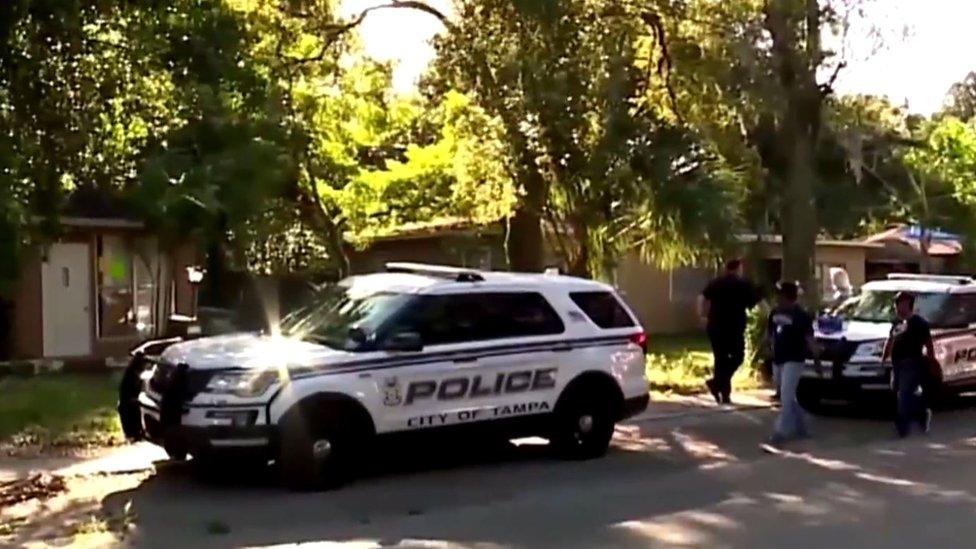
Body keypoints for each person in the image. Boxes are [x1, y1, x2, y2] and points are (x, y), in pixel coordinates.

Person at [698, 259, 761, 404]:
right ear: (738, 269)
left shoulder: (716, 282)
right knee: (737, 357)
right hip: (734, 327)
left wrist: (701, 315)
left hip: (715, 326)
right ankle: (719, 385)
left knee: (721, 360)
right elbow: (753, 300)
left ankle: (721, 390)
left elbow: (702, 297)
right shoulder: (743, 284)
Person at [766, 281, 818, 445]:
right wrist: (768, 348)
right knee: (787, 395)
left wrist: (816, 360)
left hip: (795, 359)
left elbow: (809, 339)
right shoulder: (774, 312)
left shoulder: (800, 315)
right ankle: (802, 426)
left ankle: (780, 432)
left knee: (786, 395)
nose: (777, 298)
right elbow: (771, 334)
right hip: (779, 358)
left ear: (787, 296)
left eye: (779, 295)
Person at [882, 291, 935, 438]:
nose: (898, 307)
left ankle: (903, 429)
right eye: (897, 304)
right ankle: (922, 413)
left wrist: (931, 362)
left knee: (904, 395)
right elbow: (891, 340)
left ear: (908, 305)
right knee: (898, 391)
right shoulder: (897, 323)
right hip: (896, 364)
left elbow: (929, 345)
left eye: (901, 304)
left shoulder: (920, 324)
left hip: (912, 363)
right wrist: (884, 356)